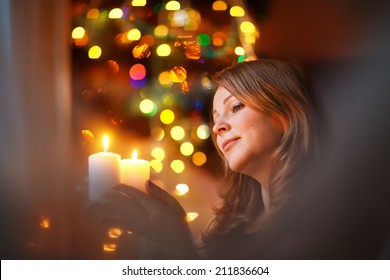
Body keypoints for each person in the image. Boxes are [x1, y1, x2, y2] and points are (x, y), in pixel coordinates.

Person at [95, 58, 320, 259]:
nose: (219, 127)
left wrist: (176, 242)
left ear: (286, 114)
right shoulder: (234, 228)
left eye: (236, 106)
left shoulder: (322, 222)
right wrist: (152, 235)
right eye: (215, 117)